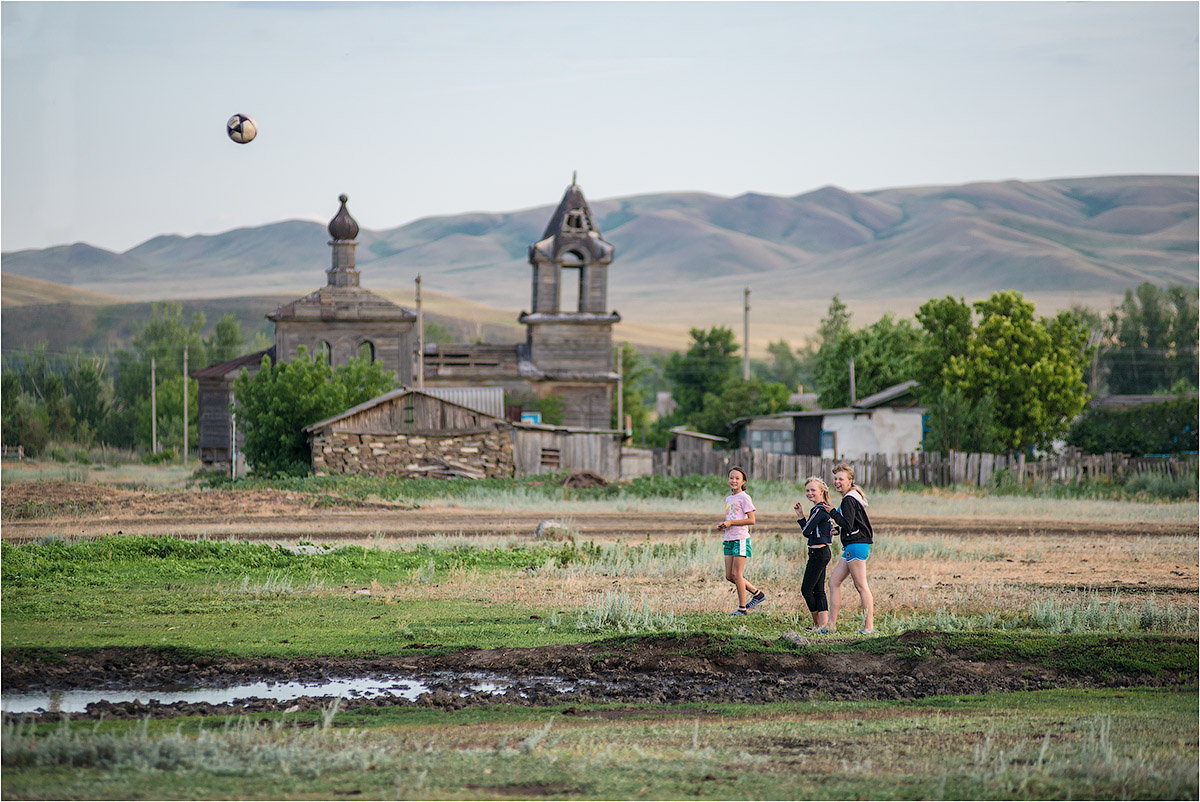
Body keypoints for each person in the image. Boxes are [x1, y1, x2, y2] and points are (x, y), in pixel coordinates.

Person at [821, 462, 875, 634]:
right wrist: (838, 530)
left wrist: (832, 513)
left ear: (850, 481)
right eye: (835, 478)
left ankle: (869, 627)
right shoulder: (850, 498)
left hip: (857, 545)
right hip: (853, 544)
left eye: (841, 479)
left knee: (861, 586)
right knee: (833, 582)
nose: (837, 482)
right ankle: (831, 625)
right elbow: (852, 524)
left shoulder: (849, 499)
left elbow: (849, 525)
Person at [717, 466, 765, 616]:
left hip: (741, 539)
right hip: (729, 539)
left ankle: (742, 609)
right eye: (731, 477)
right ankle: (757, 594)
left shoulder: (745, 497)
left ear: (743, 481)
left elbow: (751, 520)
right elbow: (732, 517)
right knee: (729, 576)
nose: (733, 480)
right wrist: (724, 525)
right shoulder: (729, 498)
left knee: (737, 574)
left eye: (737, 478)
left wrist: (731, 523)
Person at [794, 476, 833, 632]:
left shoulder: (819, 509)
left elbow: (806, 531)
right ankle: (823, 625)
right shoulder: (823, 508)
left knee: (806, 589)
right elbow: (814, 532)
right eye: (807, 490)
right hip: (821, 552)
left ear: (821, 491)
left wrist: (801, 518)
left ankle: (818, 624)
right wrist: (801, 515)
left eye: (813, 490)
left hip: (818, 554)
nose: (809, 493)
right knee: (818, 590)